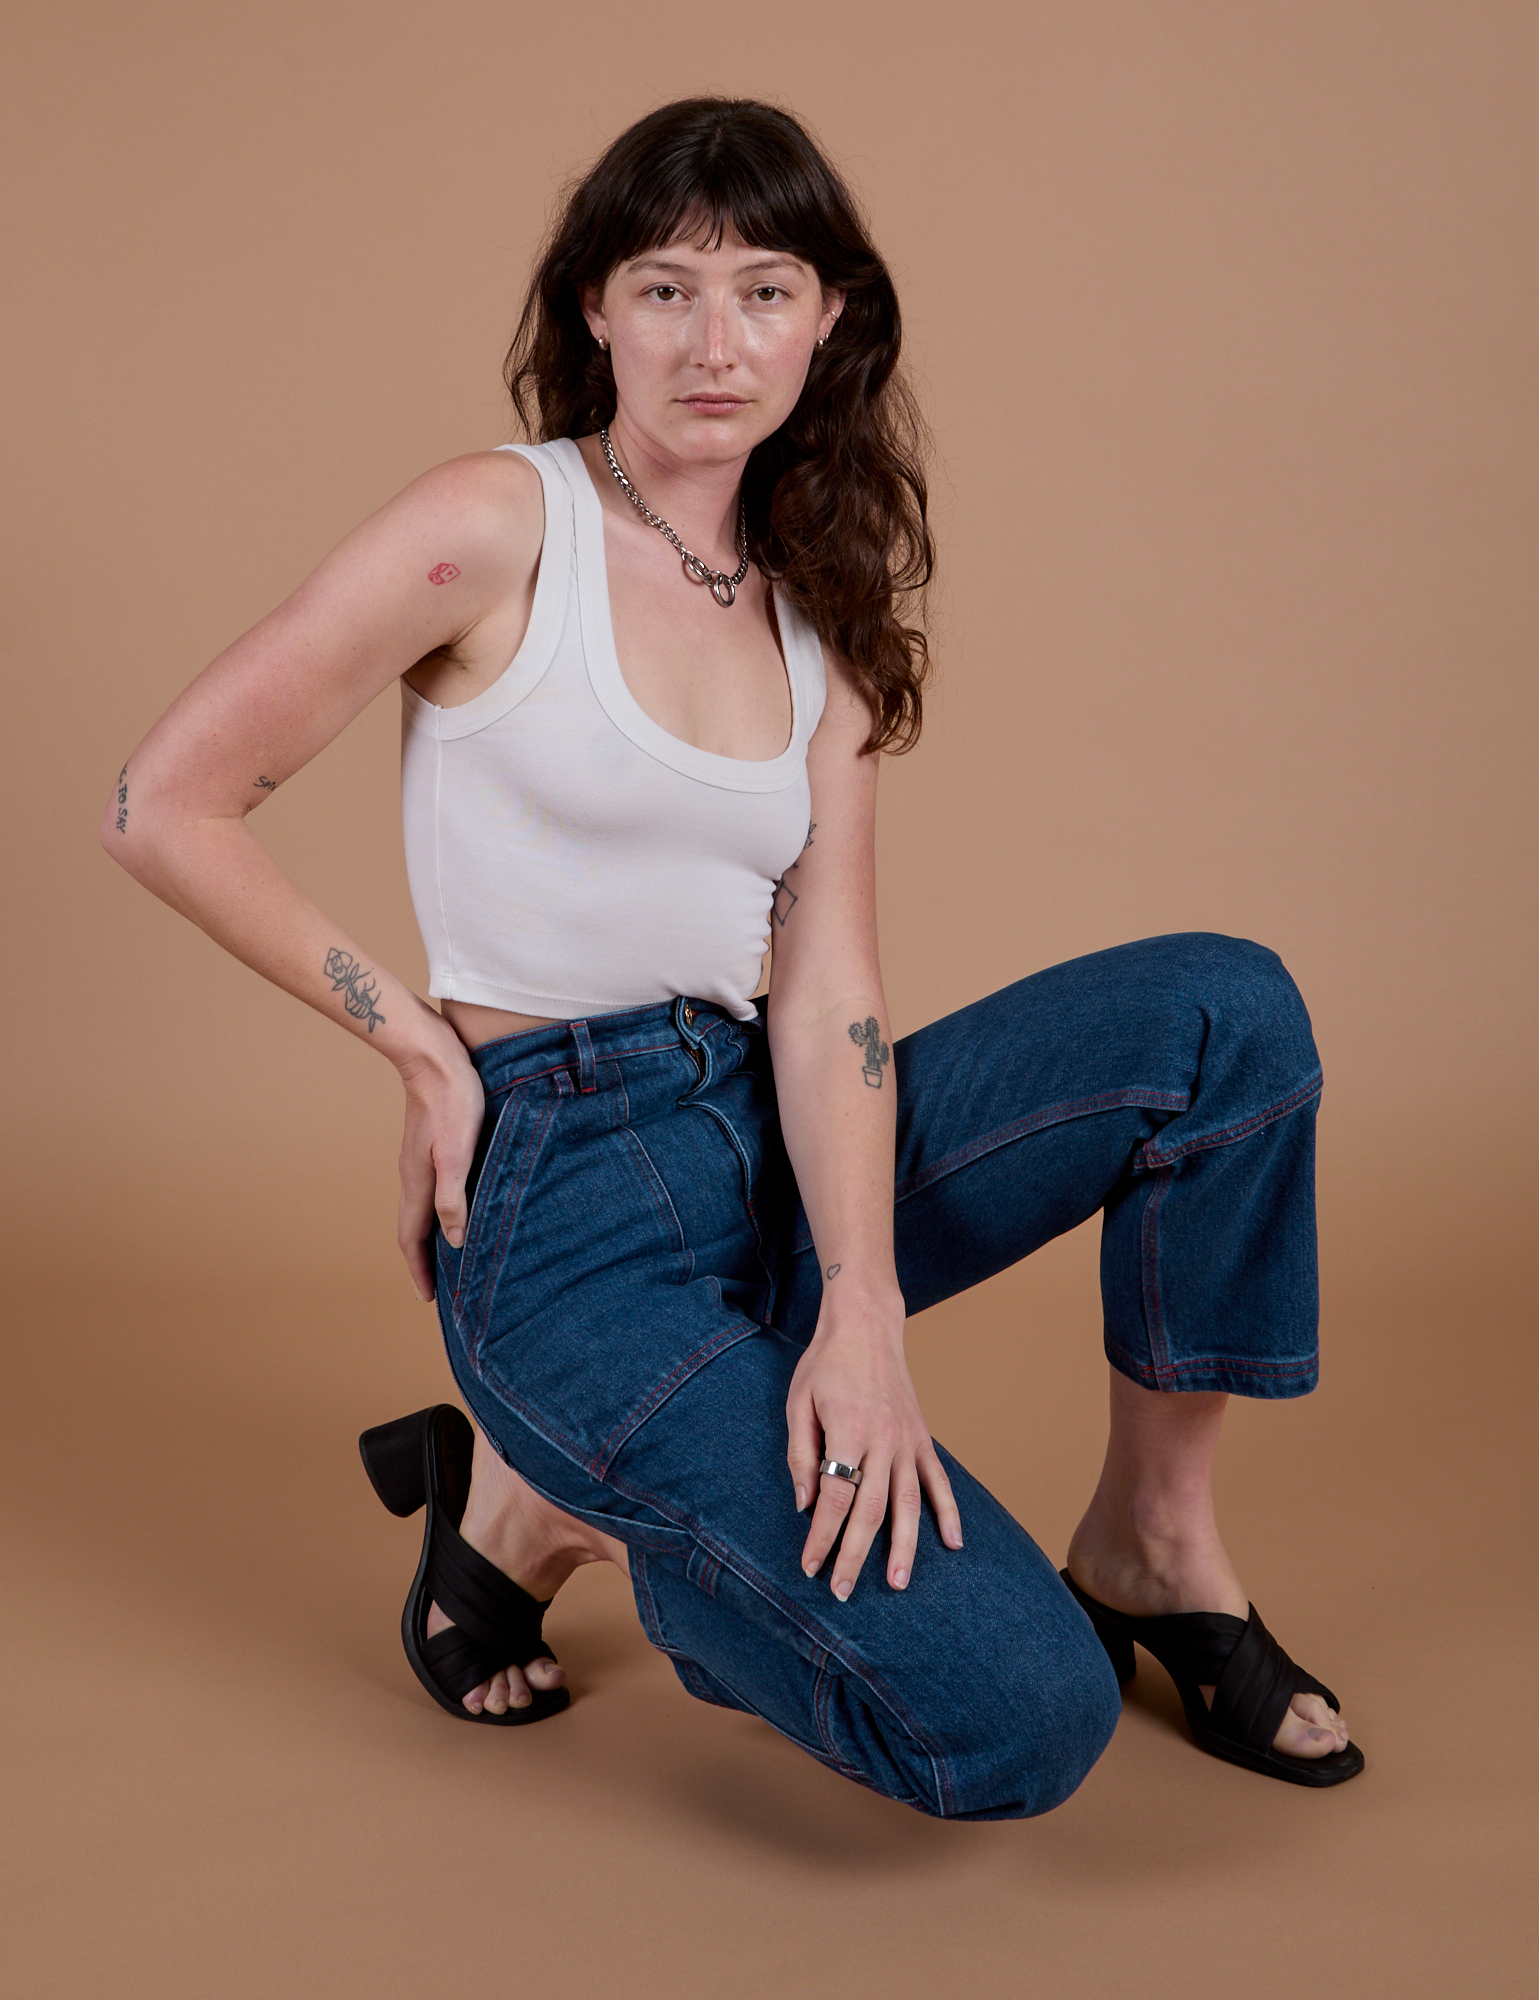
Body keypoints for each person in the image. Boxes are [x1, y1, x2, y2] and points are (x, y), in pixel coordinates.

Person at [103, 97, 1361, 1818]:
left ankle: (1149, 1543)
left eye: (765, 290)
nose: (717, 340)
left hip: (763, 1132)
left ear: (828, 319)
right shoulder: (497, 522)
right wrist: (418, 1048)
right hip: (568, 1216)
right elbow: (164, 805)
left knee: (1224, 1013)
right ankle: (569, 1489)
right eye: (668, 287)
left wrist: (860, 1305)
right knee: (1019, 1721)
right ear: (594, 311)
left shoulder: (811, 604)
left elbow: (832, 994)